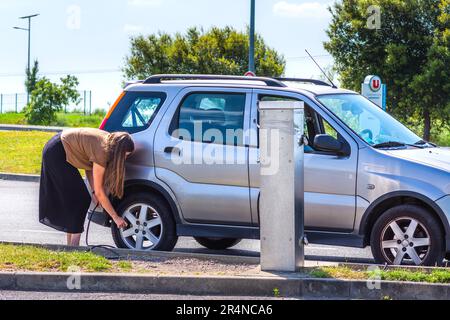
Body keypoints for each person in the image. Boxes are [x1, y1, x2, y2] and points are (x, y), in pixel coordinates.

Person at [39, 128, 134, 246]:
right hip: (57, 151)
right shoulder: (103, 152)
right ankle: (74, 245)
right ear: (119, 151)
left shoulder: (108, 142)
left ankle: (71, 246)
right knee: (81, 199)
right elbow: (100, 191)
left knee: (78, 199)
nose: (125, 159)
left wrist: (94, 192)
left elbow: (89, 168)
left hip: (58, 145)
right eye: (125, 156)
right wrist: (115, 217)